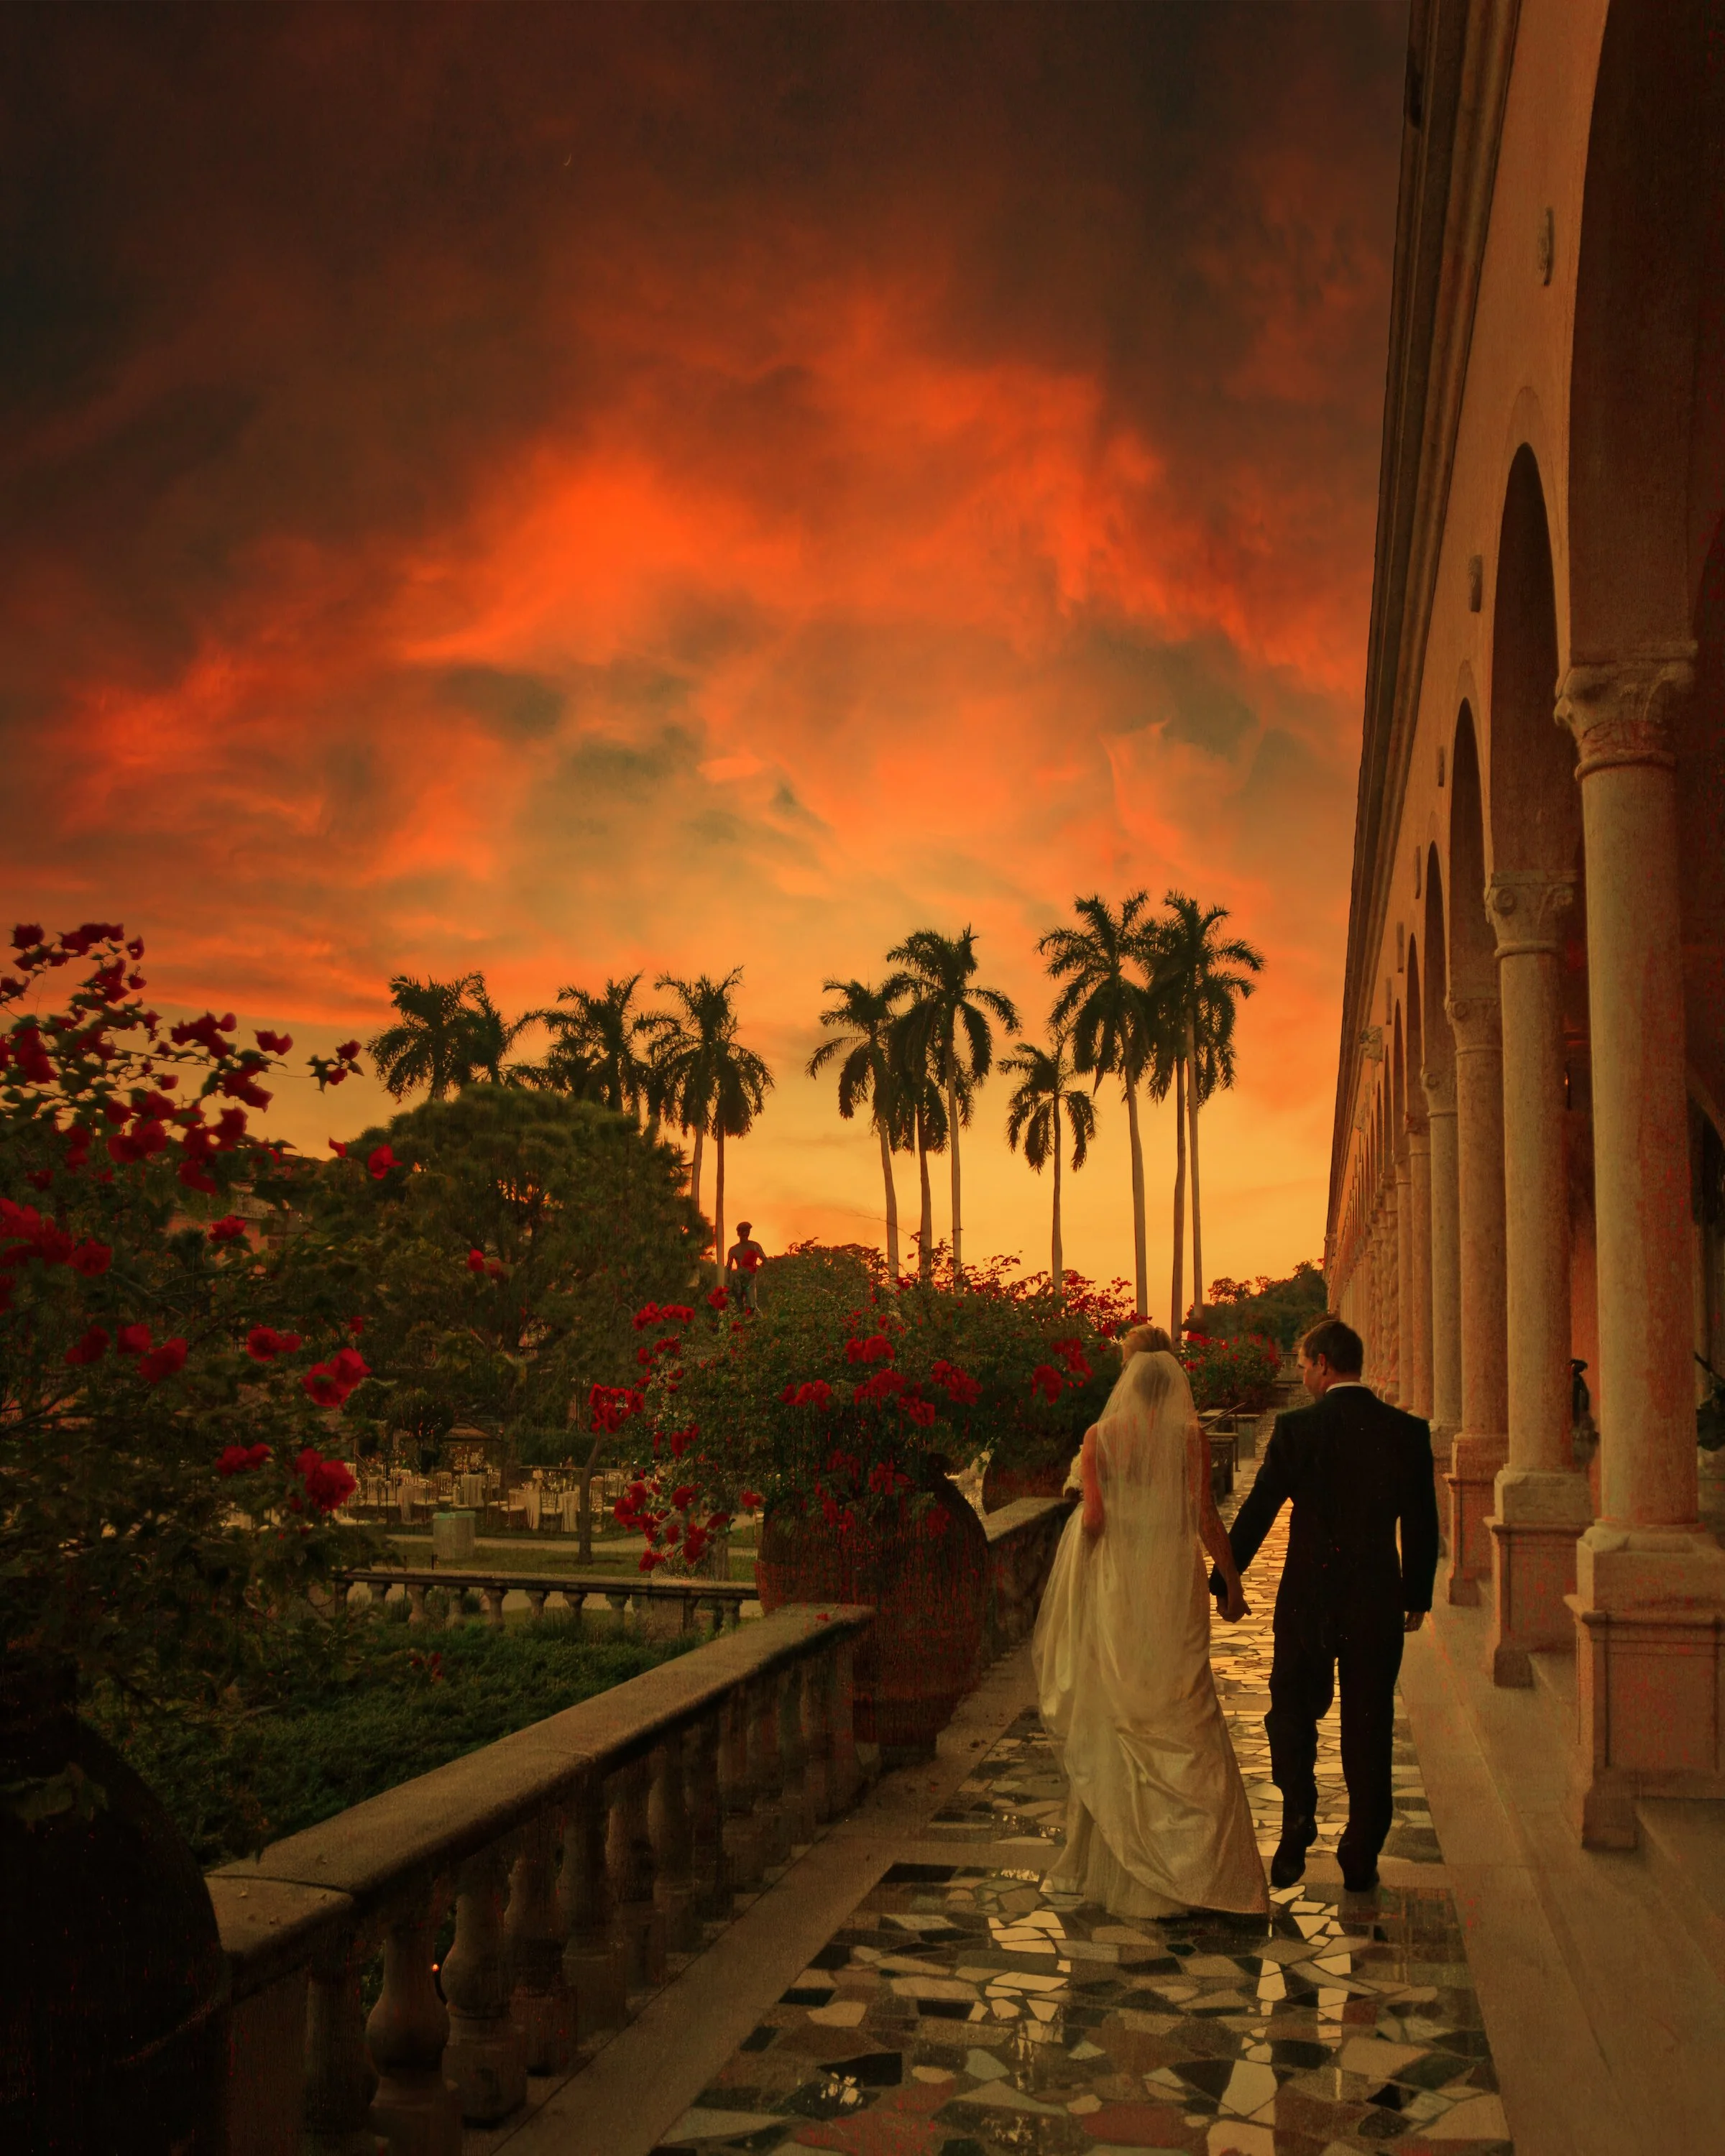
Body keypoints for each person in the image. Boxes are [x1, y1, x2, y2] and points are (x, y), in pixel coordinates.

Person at [1032, 1325, 1268, 1919]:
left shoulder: (1100, 1436)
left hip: (1118, 1585)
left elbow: (1092, 1522)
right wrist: (1233, 1584)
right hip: (1172, 1581)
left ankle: (1128, 1862)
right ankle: (1203, 1867)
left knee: (1124, 1712)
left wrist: (1082, 1510)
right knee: (1185, 1706)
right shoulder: (1189, 1437)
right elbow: (1205, 1517)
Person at [1213, 1314, 1439, 1896]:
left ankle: (1298, 1813)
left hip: (1308, 1600)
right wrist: (1416, 1594)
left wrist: (1225, 1579)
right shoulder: (1406, 1433)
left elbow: (1260, 1508)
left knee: (1291, 1708)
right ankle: (1361, 1851)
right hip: (1375, 1601)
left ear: (1321, 1364)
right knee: (1370, 1724)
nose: (1303, 1373)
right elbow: (1420, 1521)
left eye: (1304, 1363)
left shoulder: (1297, 1430)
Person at [724, 1221, 765, 1312]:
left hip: (750, 1277)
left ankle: (754, 1320)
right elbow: (728, 1267)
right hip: (738, 1278)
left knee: (751, 1304)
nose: (745, 1233)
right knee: (739, 1305)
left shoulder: (754, 1246)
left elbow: (764, 1259)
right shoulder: (734, 1249)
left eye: (747, 1231)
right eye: (743, 1231)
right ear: (738, 1233)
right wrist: (728, 1283)